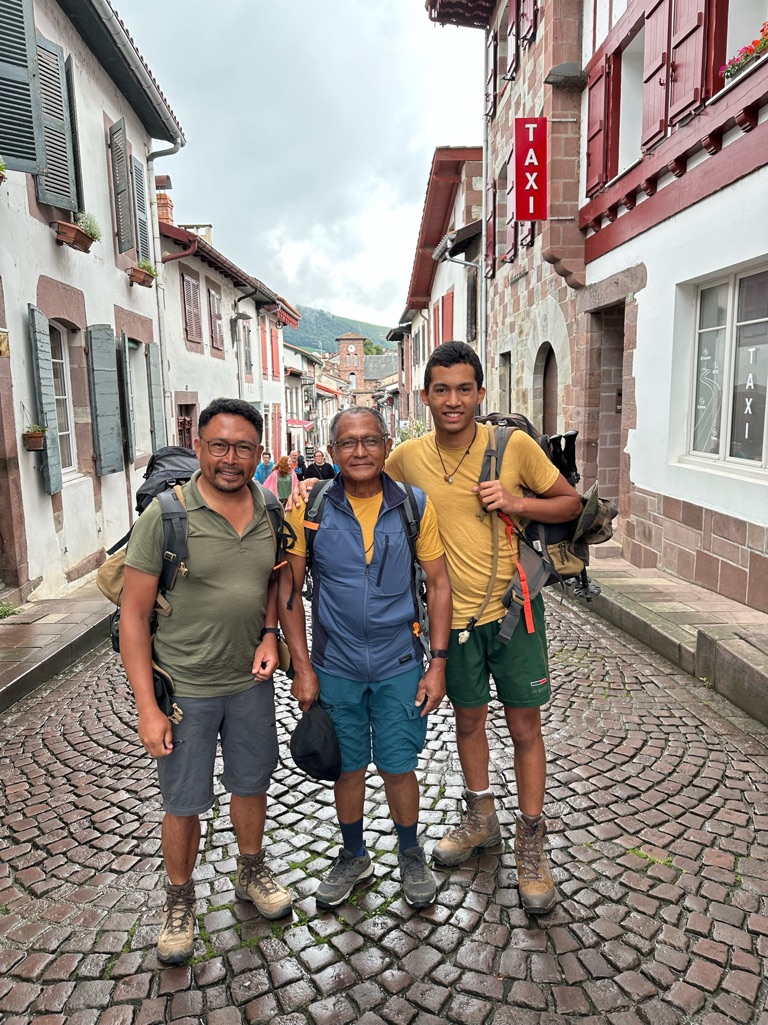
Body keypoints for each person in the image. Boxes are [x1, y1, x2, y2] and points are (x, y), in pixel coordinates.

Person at [385, 341, 582, 914]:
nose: (454, 400)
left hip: (514, 612)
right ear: (425, 397)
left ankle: (532, 841)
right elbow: (366, 487)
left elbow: (570, 504)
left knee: (525, 728)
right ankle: (481, 818)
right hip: (451, 622)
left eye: (464, 389)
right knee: (468, 721)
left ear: (480, 393)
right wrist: (310, 492)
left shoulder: (512, 446)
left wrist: (517, 503)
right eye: (442, 390)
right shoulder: (407, 457)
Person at [120, 397, 292, 966]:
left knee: (251, 783)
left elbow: (274, 580)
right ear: (199, 448)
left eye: (243, 448)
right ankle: (179, 899)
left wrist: (269, 634)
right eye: (219, 446)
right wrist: (147, 708)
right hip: (184, 689)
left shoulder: (270, 508)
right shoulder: (166, 516)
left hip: (249, 683)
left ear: (259, 452)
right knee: (183, 800)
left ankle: (250, 870)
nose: (230, 458)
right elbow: (132, 616)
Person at [279, 406, 452, 909]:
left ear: (386, 445)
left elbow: (439, 585)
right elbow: (288, 593)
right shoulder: (309, 508)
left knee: (399, 766)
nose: (360, 451)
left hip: (400, 662)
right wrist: (302, 667)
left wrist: (438, 665)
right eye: (348, 442)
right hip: (336, 665)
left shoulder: (413, 505)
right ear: (332, 451)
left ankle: (410, 852)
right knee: (348, 768)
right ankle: (354, 855)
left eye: (370, 440)